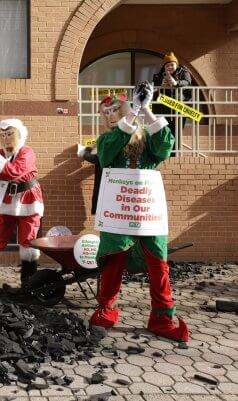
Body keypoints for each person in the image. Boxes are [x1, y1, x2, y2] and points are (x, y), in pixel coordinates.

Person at [90, 82, 189, 342]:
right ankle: (106, 310)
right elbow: (107, 151)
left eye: (115, 110)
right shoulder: (106, 141)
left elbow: (165, 146)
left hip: (147, 213)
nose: (111, 116)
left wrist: (146, 109)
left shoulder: (147, 141)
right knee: (113, 263)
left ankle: (162, 317)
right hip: (118, 214)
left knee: (158, 265)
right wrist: (132, 113)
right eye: (106, 112)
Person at [0, 119, 44, 290]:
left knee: (28, 239)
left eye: (9, 134)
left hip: (28, 199)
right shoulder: (2, 155)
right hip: (6, 198)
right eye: (2, 134)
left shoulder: (27, 152)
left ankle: (28, 280)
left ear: (20, 134)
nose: (5, 138)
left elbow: (14, 172)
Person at [152, 52, 193, 154]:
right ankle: (165, 154)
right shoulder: (158, 75)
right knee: (164, 131)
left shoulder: (183, 71)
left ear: (176, 64)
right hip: (163, 107)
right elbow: (154, 86)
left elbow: (187, 82)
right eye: (167, 65)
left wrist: (176, 83)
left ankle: (175, 155)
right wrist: (161, 85)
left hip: (179, 107)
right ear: (164, 67)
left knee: (177, 132)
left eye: (172, 64)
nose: (170, 67)